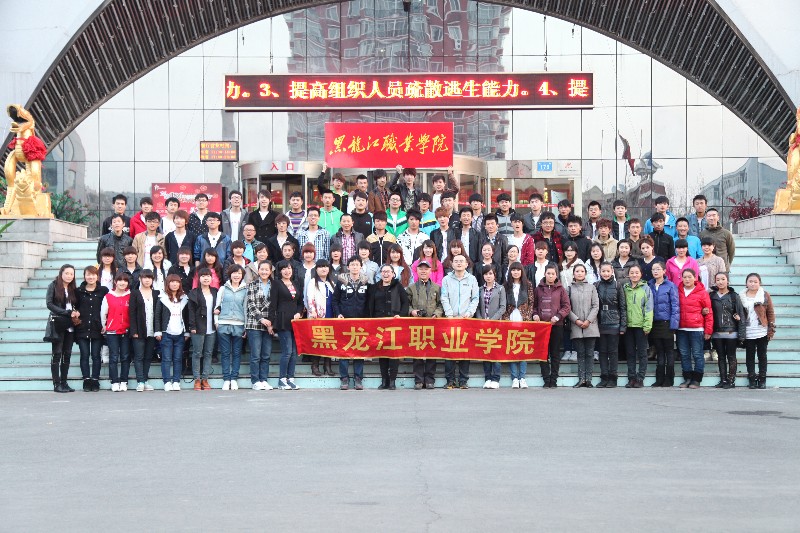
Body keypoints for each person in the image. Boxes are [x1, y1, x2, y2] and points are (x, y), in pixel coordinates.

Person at [366, 264, 411, 390]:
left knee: (393, 353)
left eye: (388, 272)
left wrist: (400, 315)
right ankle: (384, 379)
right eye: (383, 272)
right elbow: (370, 305)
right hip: (379, 325)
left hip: (394, 325)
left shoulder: (398, 286)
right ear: (380, 274)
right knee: (382, 352)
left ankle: (392, 380)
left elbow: (405, 303)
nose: (386, 274)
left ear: (393, 274)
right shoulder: (374, 287)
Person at [440, 255, 479, 388]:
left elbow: (475, 298)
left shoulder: (472, 279)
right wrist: (449, 314)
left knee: (464, 350)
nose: (459, 263)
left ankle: (463, 380)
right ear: (452, 264)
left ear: (466, 264)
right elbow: (444, 297)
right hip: (450, 319)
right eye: (456, 261)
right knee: (449, 350)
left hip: (465, 319)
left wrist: (469, 313)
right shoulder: (446, 279)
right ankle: (450, 380)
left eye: (461, 261)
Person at [406, 259, 444, 390]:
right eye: (421, 269)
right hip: (416, 325)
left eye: (426, 269)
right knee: (417, 353)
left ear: (430, 271)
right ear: (416, 271)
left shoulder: (437, 288)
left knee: (431, 353)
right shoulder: (411, 288)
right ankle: (418, 380)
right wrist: (412, 311)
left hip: (432, 324)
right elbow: (406, 305)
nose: (423, 271)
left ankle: (429, 380)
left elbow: (441, 304)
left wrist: (437, 314)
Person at [333, 256, 370, 390]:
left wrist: (368, 317)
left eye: (357, 264)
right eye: (352, 265)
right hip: (345, 321)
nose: (355, 267)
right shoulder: (341, 281)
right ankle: (344, 378)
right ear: (348, 267)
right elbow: (335, 300)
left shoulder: (366, 282)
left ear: (361, 267)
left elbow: (369, 301)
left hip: (361, 321)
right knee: (344, 350)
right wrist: (338, 313)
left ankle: (358, 378)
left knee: (359, 350)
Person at [533, 264, 571, 388]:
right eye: (548, 273)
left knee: (555, 353)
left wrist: (558, 316)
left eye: (553, 274)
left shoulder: (561, 289)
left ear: (556, 275)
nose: (550, 276)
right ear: (544, 274)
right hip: (542, 327)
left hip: (556, 325)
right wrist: (535, 314)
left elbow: (566, 306)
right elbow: (533, 306)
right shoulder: (538, 289)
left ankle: (553, 379)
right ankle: (546, 379)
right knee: (543, 353)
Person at [269, 260, 304, 390]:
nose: (287, 271)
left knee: (294, 352)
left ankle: (291, 378)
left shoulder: (295, 283)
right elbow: (273, 304)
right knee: (287, 351)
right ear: (279, 271)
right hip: (282, 320)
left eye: (289, 268)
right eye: (283, 268)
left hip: (295, 322)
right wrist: (271, 322)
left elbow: (300, 303)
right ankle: (282, 380)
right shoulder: (277, 284)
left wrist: (299, 313)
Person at [676, 269, 713, 388]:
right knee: (684, 354)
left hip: (697, 329)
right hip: (681, 328)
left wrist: (708, 330)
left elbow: (708, 313)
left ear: (695, 277)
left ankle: (696, 379)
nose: (687, 279)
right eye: (684, 277)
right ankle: (687, 378)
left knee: (697, 354)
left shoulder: (702, 292)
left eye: (689, 277)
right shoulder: (678, 291)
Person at [46, 264, 79, 392]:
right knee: (57, 354)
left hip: (70, 325)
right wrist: (66, 312)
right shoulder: (53, 285)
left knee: (67, 354)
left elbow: (75, 304)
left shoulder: (72, 288)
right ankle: (56, 384)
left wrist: (76, 312)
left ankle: (64, 382)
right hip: (58, 323)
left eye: (72, 274)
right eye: (67, 273)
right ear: (61, 273)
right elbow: (49, 304)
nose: (69, 276)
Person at [710, 272, 746, 389]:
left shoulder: (734, 296)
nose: (720, 282)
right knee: (720, 357)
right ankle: (723, 379)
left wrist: (741, 334)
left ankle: (731, 380)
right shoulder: (712, 296)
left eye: (723, 279)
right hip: (716, 332)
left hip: (731, 332)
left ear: (728, 281)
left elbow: (741, 315)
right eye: (718, 279)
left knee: (731, 356)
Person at [75, 266, 108, 392]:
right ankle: (86, 380)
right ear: (84, 276)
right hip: (82, 327)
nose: (91, 277)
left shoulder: (103, 290)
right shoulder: (78, 291)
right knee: (84, 354)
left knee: (95, 355)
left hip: (97, 327)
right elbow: (74, 306)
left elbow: (107, 307)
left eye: (93, 274)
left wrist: (105, 324)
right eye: (88, 274)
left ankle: (95, 380)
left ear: (97, 276)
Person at [215, 264, 248, 391]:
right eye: (234, 273)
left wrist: (245, 326)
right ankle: (226, 379)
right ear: (230, 274)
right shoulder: (223, 289)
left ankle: (234, 378)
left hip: (239, 324)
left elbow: (245, 308)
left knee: (236, 353)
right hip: (223, 323)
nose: (236, 275)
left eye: (239, 273)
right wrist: (216, 322)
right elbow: (217, 306)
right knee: (225, 353)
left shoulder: (245, 290)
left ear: (242, 275)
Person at [154, 274, 189, 391]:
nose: (174, 284)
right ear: (168, 284)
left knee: (178, 359)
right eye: (172, 282)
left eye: (177, 282)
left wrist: (187, 332)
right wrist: (158, 331)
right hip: (166, 333)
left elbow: (187, 317)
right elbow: (157, 316)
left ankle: (176, 381)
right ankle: (167, 381)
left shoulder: (184, 298)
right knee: (166, 359)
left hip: (180, 333)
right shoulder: (162, 298)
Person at [503, 262, 535, 388]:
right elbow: (503, 303)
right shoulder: (506, 286)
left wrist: (528, 316)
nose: (515, 272)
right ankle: (514, 378)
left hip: (523, 319)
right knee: (512, 348)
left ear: (522, 271)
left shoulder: (528, 285)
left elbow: (531, 302)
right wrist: (505, 318)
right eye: (513, 270)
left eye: (518, 270)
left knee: (523, 348)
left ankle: (522, 377)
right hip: (510, 318)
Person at [741, 273, 776, 389]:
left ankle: (762, 379)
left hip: (761, 331)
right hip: (748, 331)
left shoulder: (764, 295)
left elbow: (770, 312)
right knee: (749, 356)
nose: (753, 284)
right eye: (750, 281)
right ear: (746, 283)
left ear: (759, 283)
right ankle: (751, 378)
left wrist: (771, 329)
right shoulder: (741, 296)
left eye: (755, 282)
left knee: (762, 356)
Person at [647, 261, 679, 387]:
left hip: (667, 323)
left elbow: (675, 306)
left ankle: (669, 378)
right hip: (654, 323)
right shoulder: (649, 285)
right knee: (659, 351)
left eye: (658, 269)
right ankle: (659, 378)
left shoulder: (670, 286)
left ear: (664, 271)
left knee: (669, 351)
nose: (655, 271)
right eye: (653, 269)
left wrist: (674, 325)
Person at [568, 264, 600, 388]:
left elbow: (595, 306)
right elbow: (567, 307)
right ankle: (581, 379)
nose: (580, 273)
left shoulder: (592, 288)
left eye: (582, 271)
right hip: (576, 325)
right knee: (580, 353)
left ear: (585, 273)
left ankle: (589, 379)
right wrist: (576, 320)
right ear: (574, 273)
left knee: (590, 353)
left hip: (590, 325)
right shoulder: (569, 289)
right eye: (577, 271)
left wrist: (588, 320)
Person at [475, 264, 506, 389]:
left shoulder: (500, 289)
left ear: (495, 275)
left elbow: (503, 307)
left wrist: (492, 320)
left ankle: (496, 378)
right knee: (486, 352)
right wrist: (481, 320)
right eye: (486, 274)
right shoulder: (479, 289)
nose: (488, 276)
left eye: (490, 274)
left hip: (496, 325)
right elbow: (477, 308)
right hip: (483, 325)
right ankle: (487, 378)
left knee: (496, 352)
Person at [595, 262, 626, 388]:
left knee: (613, 351)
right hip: (601, 322)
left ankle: (613, 377)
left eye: (608, 271)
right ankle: (604, 377)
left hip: (614, 323)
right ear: (599, 272)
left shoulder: (618, 285)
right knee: (602, 351)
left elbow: (623, 306)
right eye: (603, 271)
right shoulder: (596, 285)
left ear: (612, 271)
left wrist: (623, 325)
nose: (606, 273)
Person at [622, 264, 653, 388]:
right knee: (630, 353)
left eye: (637, 273)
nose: (634, 275)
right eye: (632, 273)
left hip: (641, 326)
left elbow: (649, 308)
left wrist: (647, 325)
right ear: (628, 274)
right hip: (628, 326)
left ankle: (640, 378)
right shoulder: (625, 288)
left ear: (641, 274)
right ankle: (631, 378)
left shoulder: (646, 288)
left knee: (642, 353)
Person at [305, 259, 337, 378]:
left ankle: (327, 366)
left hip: (330, 315)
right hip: (317, 316)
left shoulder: (331, 282)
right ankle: (315, 366)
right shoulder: (313, 282)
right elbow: (309, 298)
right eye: (321, 267)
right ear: (316, 269)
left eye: (326, 267)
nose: (324, 269)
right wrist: (313, 312)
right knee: (318, 341)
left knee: (329, 341)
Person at [187, 268, 218, 391]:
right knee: (197, 353)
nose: (206, 278)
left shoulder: (215, 291)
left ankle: (205, 379)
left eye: (208, 276)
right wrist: (192, 326)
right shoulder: (193, 293)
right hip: (198, 327)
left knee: (208, 353)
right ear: (198, 278)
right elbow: (191, 311)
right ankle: (197, 379)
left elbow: (219, 305)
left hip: (212, 327)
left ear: (211, 278)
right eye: (203, 276)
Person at [246, 260, 275, 391]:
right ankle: (255, 380)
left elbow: (275, 305)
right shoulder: (252, 284)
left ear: (270, 271)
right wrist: (261, 319)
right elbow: (251, 304)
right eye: (261, 269)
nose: (264, 272)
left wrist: (270, 322)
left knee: (266, 355)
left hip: (269, 324)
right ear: (258, 271)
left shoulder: (275, 285)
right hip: (254, 323)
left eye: (266, 269)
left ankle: (264, 379)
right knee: (255, 355)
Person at [101, 272, 132, 392]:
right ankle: (114, 381)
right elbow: (104, 313)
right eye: (120, 280)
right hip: (112, 331)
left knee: (125, 357)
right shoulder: (108, 296)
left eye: (125, 281)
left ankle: (124, 381)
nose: (122, 283)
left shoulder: (130, 296)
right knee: (113, 357)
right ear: (115, 282)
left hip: (126, 330)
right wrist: (104, 325)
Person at [129, 269, 158, 392]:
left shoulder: (156, 293)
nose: (147, 280)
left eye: (149, 278)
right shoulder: (135, 293)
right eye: (145, 278)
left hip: (152, 330)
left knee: (148, 356)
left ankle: (145, 380)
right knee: (139, 356)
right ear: (140, 279)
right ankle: (140, 381)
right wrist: (134, 330)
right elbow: (132, 313)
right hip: (139, 330)